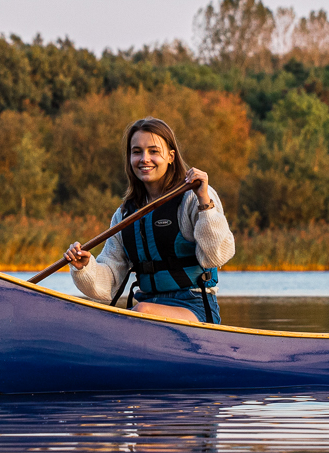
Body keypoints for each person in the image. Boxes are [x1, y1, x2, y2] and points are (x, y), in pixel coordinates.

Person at [65, 117, 235, 323]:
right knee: (137, 311)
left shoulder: (195, 197)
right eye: (137, 152)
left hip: (194, 307)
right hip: (145, 305)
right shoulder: (124, 215)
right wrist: (84, 266)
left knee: (142, 311)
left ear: (171, 156)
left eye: (154, 151)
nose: (144, 159)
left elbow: (216, 257)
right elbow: (108, 284)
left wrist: (205, 203)